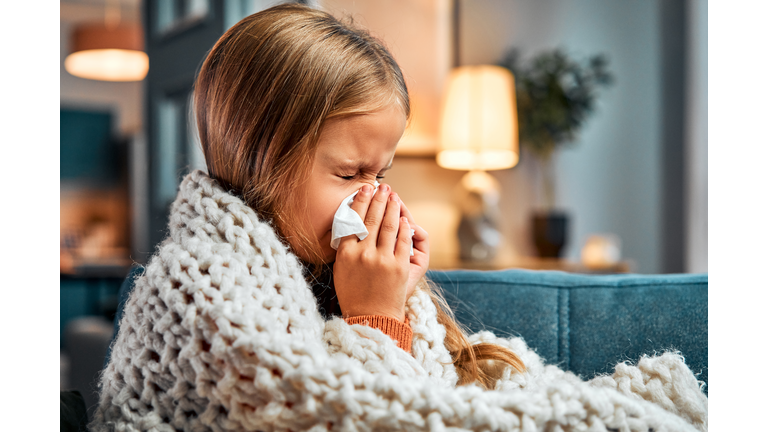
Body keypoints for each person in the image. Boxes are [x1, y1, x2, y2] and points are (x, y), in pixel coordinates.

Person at [91, 4, 707, 431]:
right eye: (350, 175)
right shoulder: (198, 286)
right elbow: (347, 415)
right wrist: (377, 320)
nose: (371, 198)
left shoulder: (320, 265)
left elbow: (440, 385)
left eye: (380, 175)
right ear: (261, 161)